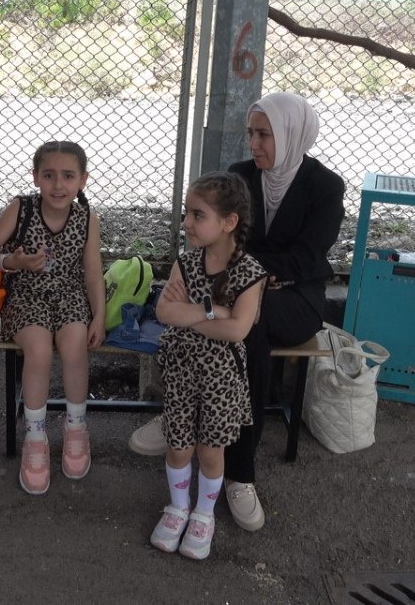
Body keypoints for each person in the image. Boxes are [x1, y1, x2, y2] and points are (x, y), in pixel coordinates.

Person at [130, 92, 345, 531]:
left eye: (264, 134)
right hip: (228, 286)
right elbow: (219, 240)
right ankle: (182, 416)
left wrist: (252, 276)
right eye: (251, 133)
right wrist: (236, 282)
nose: (254, 143)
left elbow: (308, 257)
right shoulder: (241, 176)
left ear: (291, 134)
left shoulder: (324, 186)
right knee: (216, 315)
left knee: (249, 327)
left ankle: (239, 473)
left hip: (294, 298)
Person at [0, 141, 107, 495]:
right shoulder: (21, 209)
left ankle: (76, 427)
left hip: (69, 296)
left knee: (75, 345)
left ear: (83, 180)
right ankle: (35, 435)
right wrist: (10, 262)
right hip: (26, 296)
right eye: (49, 175)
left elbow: (93, 274)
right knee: (39, 351)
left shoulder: (87, 219)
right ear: (36, 177)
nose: (58, 185)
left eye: (68, 176)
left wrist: (99, 316)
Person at [149, 172, 267, 560]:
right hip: (181, 371)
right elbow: (165, 312)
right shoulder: (186, 263)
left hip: (222, 378)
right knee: (179, 446)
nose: (187, 223)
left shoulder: (250, 273)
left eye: (198, 215)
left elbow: (237, 330)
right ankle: (178, 507)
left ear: (229, 222)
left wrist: (190, 314)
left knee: (210, 451)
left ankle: (203, 515)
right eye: (187, 213)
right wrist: (211, 310)